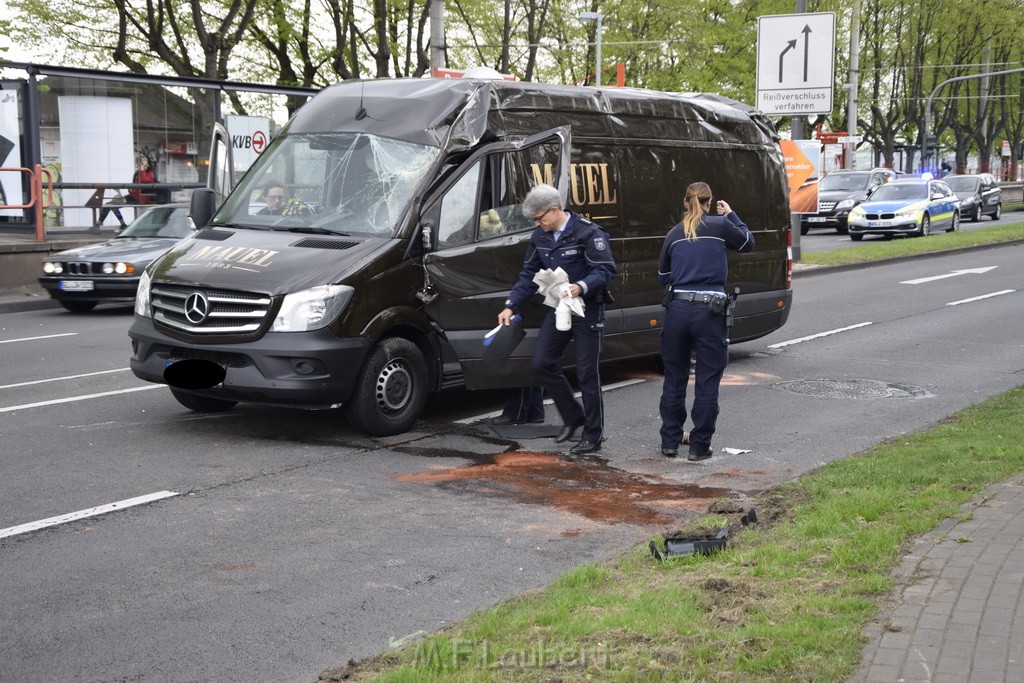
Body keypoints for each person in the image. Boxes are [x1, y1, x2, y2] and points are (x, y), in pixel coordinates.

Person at [497, 184, 616, 455]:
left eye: (540, 218)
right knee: (541, 363)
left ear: (554, 210)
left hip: (588, 309)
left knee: (587, 373)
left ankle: (592, 434)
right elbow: (528, 275)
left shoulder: (588, 232)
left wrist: (581, 286)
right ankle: (573, 417)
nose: (538, 224)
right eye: (534, 221)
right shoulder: (540, 237)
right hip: (560, 307)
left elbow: (606, 270)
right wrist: (511, 305)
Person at [657, 182, 754, 461]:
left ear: (686, 202)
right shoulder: (720, 227)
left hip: (677, 309)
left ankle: (670, 441)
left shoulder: (674, 234)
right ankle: (699, 446)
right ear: (710, 203)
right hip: (710, 312)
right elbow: (748, 243)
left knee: (674, 378)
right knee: (707, 379)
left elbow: (663, 275)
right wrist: (732, 215)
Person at [97, 156, 157, 228]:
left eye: (140, 163)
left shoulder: (149, 173)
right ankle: (115, 223)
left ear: (145, 163)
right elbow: (133, 187)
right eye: (138, 164)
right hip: (133, 196)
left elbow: (144, 180)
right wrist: (120, 193)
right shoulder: (137, 173)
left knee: (112, 205)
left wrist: (142, 170)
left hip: (141, 199)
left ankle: (101, 223)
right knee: (110, 205)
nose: (139, 166)